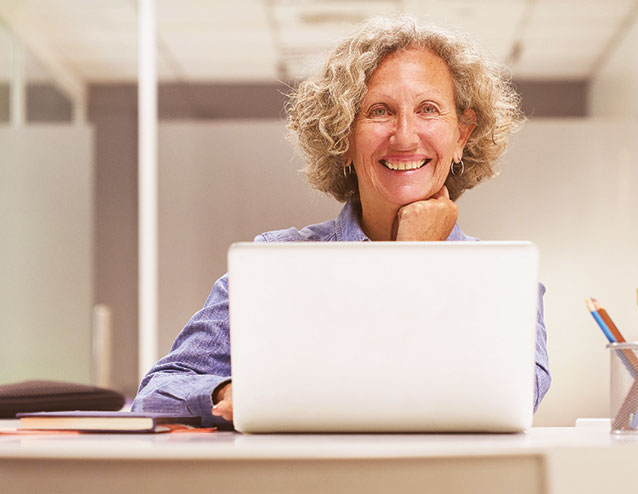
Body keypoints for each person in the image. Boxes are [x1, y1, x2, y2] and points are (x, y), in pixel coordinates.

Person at [132, 15, 551, 427]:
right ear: (343, 137)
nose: (405, 136)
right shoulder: (276, 263)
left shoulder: (501, 280)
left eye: (428, 109)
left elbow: (516, 396)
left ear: (462, 134)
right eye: (379, 112)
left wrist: (414, 259)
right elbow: (156, 394)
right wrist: (226, 393)